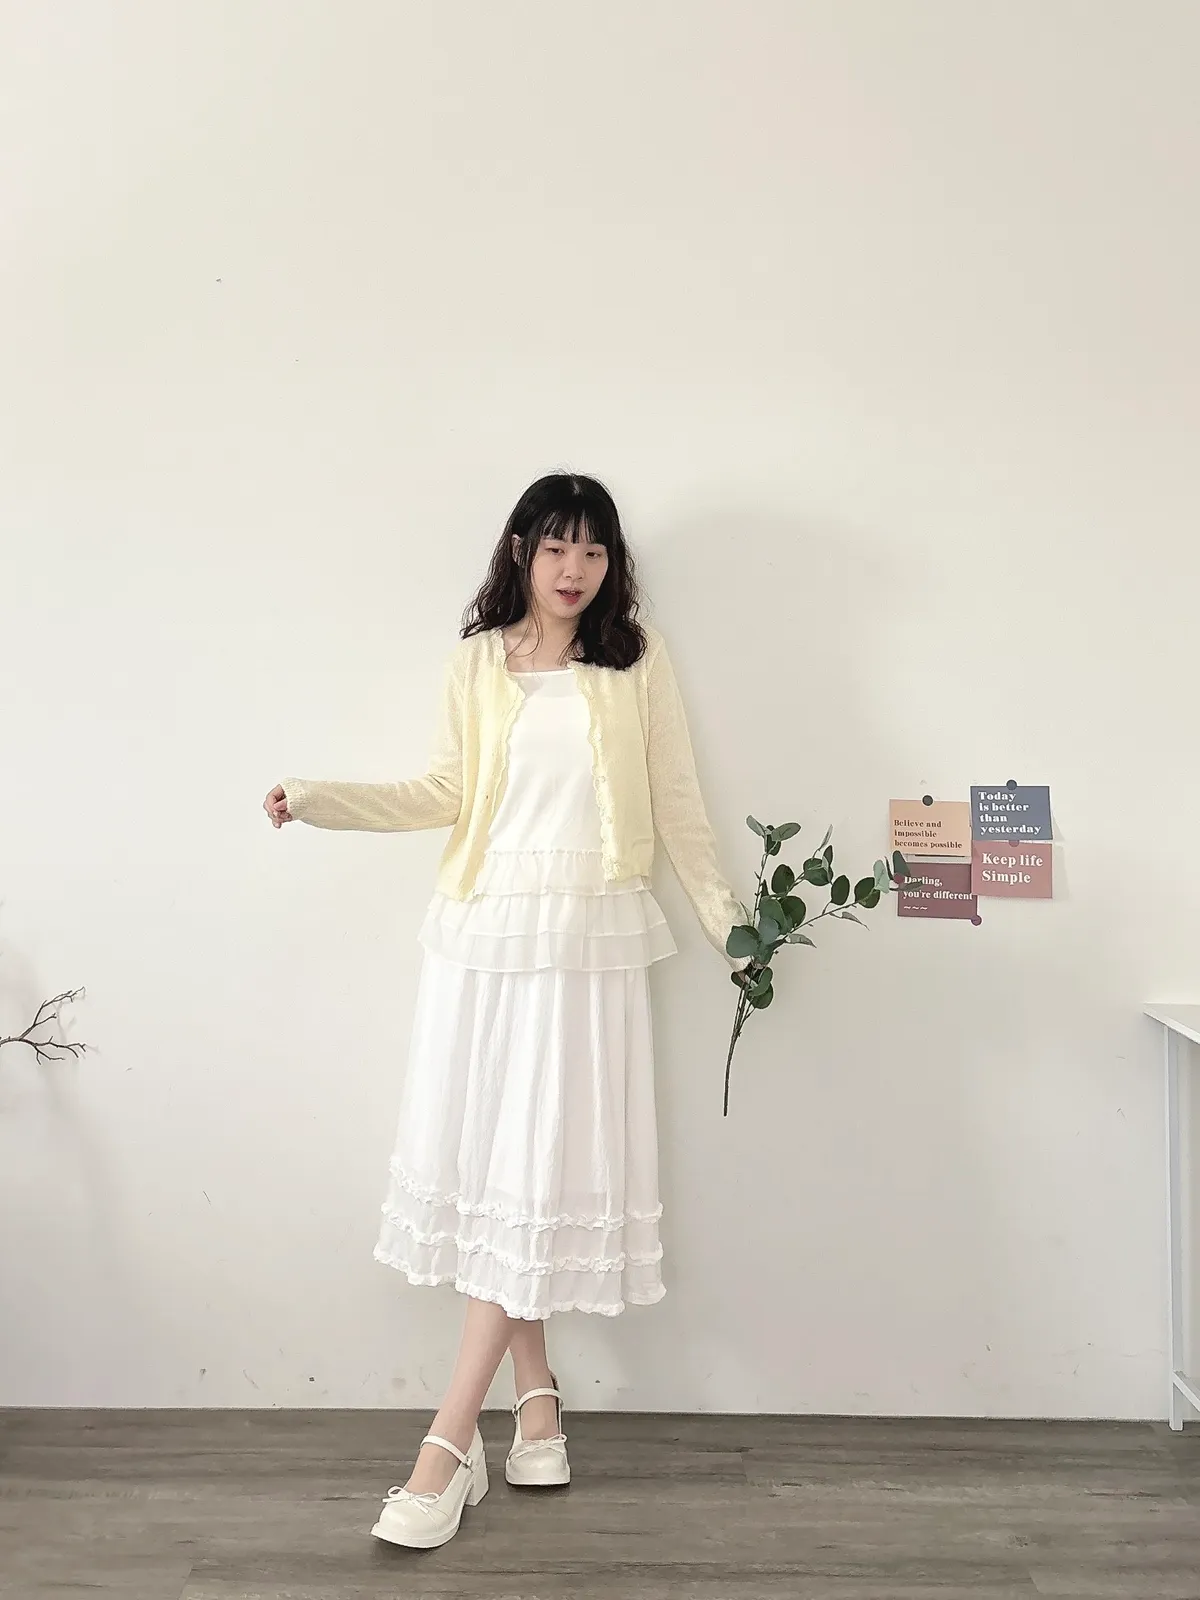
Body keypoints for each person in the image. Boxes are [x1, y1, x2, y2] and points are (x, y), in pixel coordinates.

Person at [263, 472, 749, 1549]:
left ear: (613, 563)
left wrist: (736, 933)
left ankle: (448, 1445)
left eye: (595, 551)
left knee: (531, 1169)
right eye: (557, 548)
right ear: (522, 551)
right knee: (501, 1174)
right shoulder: (478, 663)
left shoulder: (635, 662)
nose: (576, 570)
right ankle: (534, 1402)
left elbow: (679, 809)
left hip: (588, 943)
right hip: (484, 940)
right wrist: (323, 799)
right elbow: (443, 793)